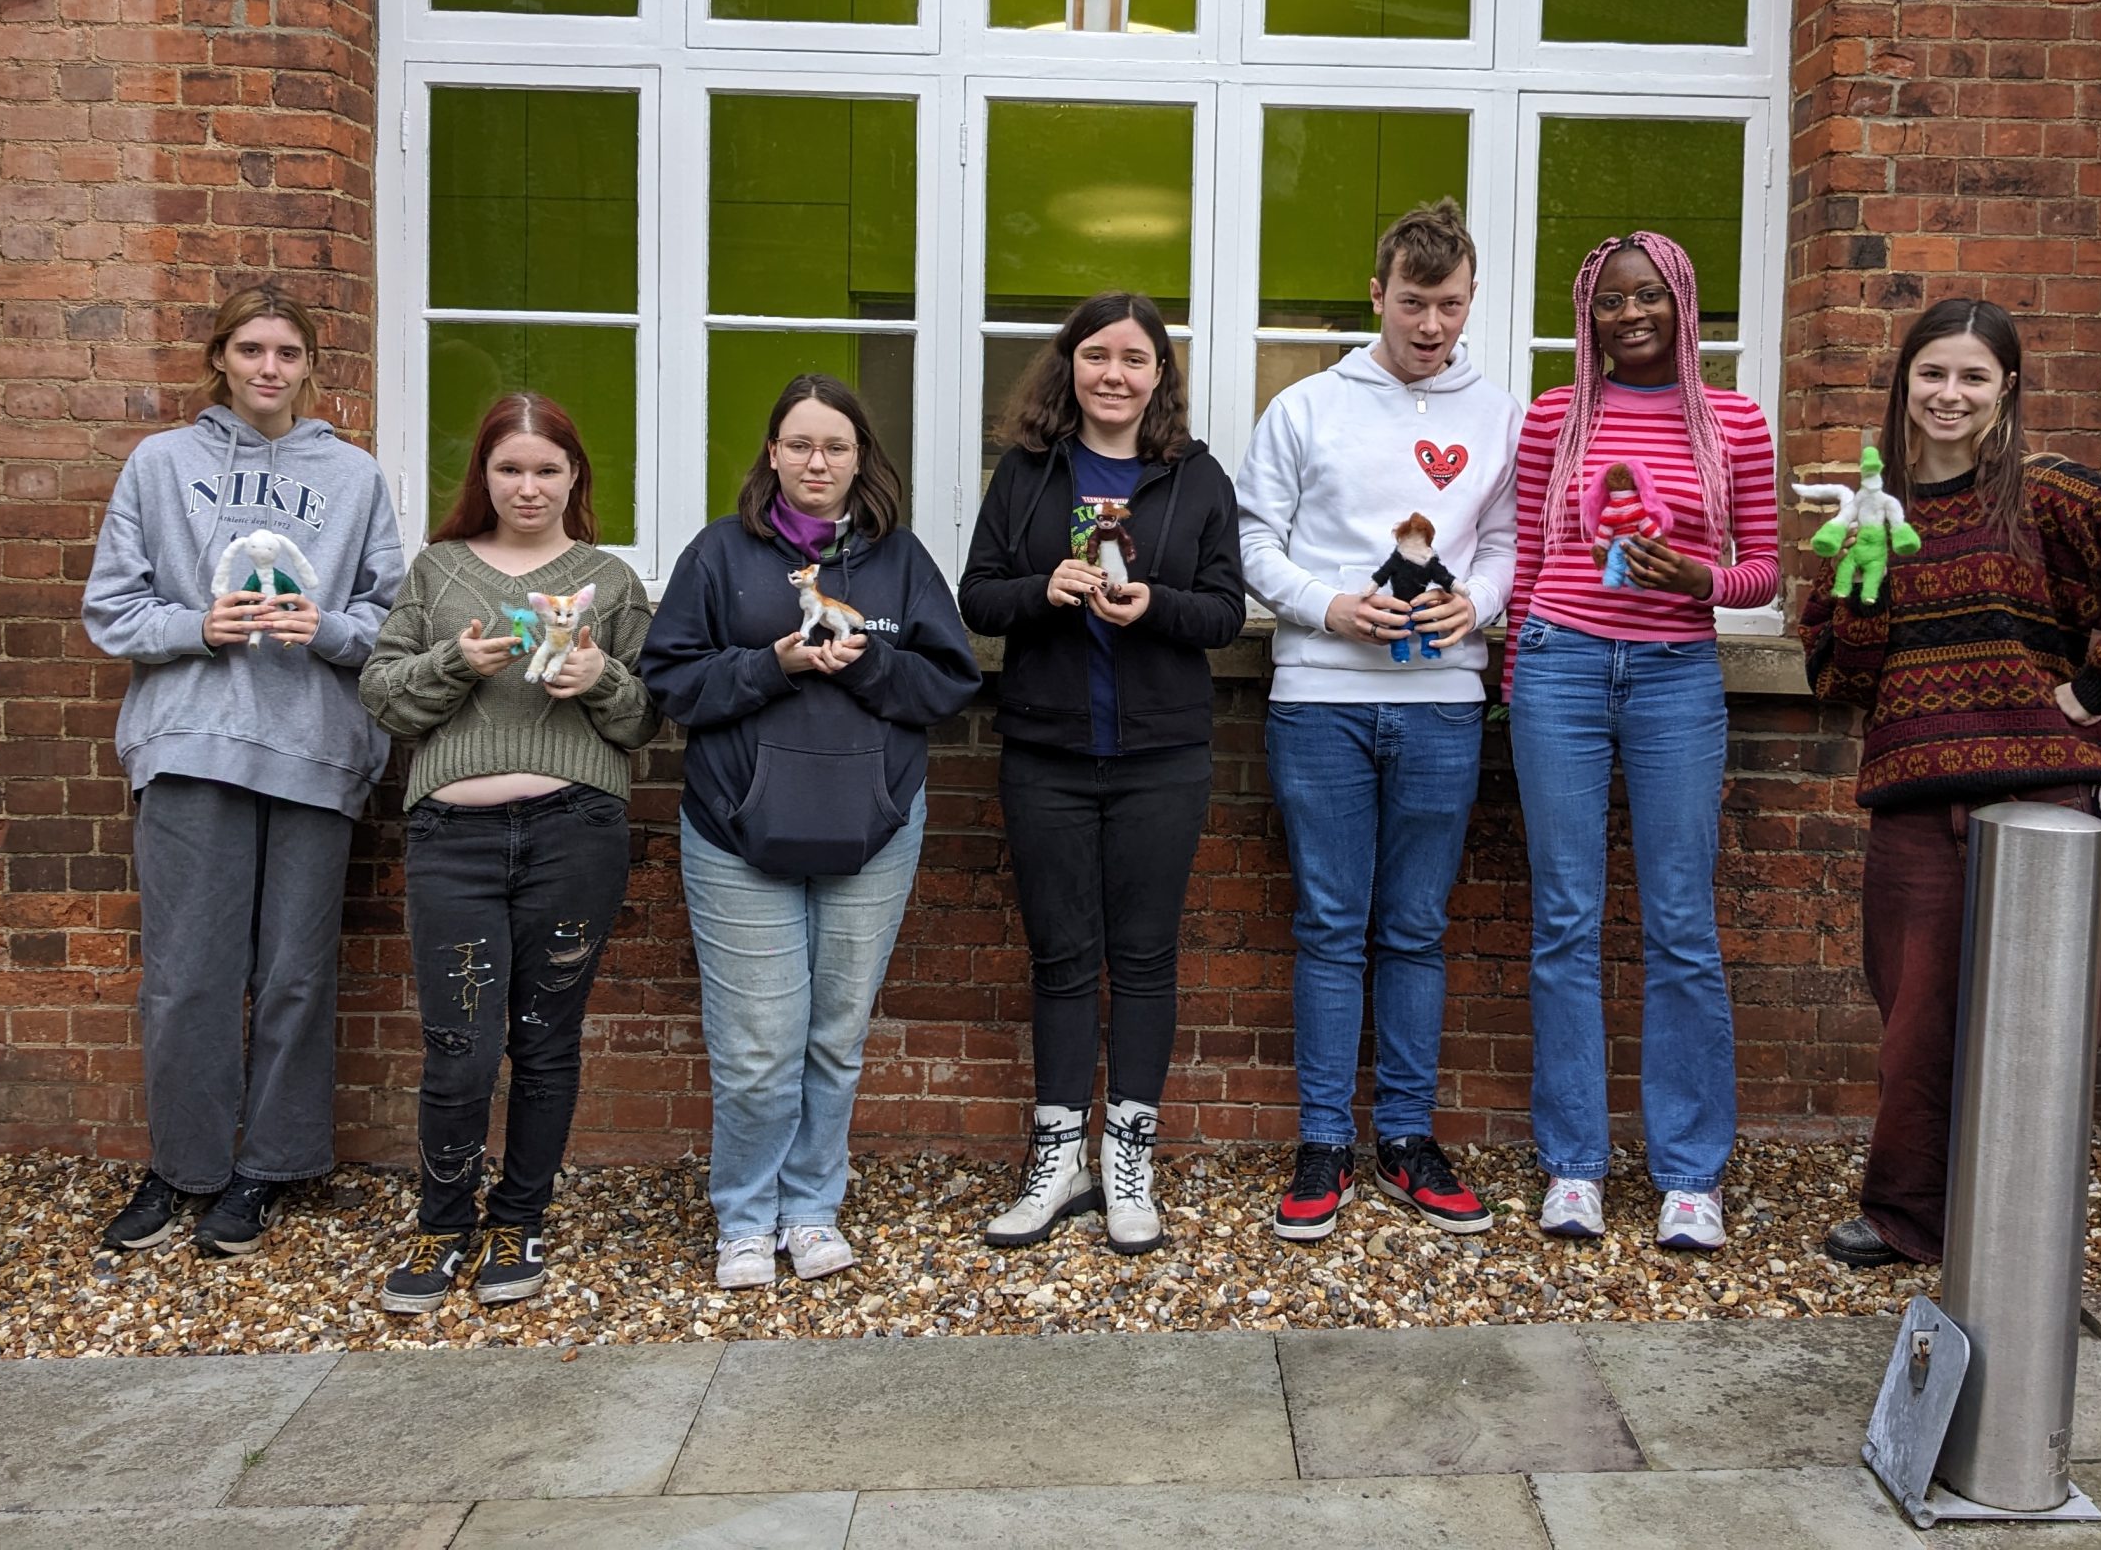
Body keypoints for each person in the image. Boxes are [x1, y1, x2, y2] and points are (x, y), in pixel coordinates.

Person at [1801, 297, 2101, 1267]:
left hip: (2044, 804)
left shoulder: (2049, 497)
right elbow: (1834, 676)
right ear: (1903, 383)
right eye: (1931, 373)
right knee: (1913, 1028)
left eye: (1971, 376)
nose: (1948, 393)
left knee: (2036, 1028)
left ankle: (2022, 1230)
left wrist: (2090, 689)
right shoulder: (1872, 512)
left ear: (2006, 389)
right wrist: (1863, 584)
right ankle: (1907, 1218)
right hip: (1913, 810)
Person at [81, 284, 405, 1257]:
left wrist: (332, 628)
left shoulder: (353, 479)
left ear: (311, 367)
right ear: (220, 358)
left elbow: (390, 621)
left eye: (288, 353)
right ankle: (184, 1168)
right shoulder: (159, 464)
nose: (270, 368)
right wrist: (195, 626)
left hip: (313, 751)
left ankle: (267, 1168)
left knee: (297, 975)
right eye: (252, 349)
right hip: (189, 746)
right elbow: (111, 607)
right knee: (187, 977)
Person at [639, 374, 979, 1288]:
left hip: (871, 827)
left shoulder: (901, 562)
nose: (816, 462)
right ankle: (746, 1218)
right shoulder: (718, 556)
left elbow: (949, 686)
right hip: (737, 830)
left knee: (835, 1035)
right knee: (757, 1047)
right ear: (773, 454)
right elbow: (670, 684)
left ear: (860, 457)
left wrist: (868, 666)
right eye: (799, 445)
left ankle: (811, 1209)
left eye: (835, 446)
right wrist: (774, 664)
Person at [1234, 198, 1522, 1242]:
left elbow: (1504, 542)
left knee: (1413, 927)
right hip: (1319, 699)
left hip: (1442, 702)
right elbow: (1253, 541)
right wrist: (1329, 605)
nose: (1432, 325)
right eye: (1413, 303)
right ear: (1376, 293)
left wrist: (1475, 604)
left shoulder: (1500, 415)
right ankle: (1323, 1142)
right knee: (1326, 923)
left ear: (1470, 298)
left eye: (1449, 305)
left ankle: (1404, 1137)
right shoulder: (1305, 408)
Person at [1505, 232, 1781, 1253]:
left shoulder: (1735, 424)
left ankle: (1689, 1176)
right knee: (1566, 919)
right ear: (1588, 312)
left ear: (1683, 303)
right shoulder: (1552, 420)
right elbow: (1531, 563)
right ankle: (1573, 1166)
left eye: (1649, 297)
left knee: (1679, 922)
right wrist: (1516, 684)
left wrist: (1696, 580)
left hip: (1676, 678)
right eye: (1611, 300)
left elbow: (1762, 571)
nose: (1630, 315)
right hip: (1561, 668)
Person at [357, 394, 658, 1313]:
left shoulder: (608, 583)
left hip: (575, 830)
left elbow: (647, 720)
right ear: (483, 476)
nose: (528, 487)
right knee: (460, 1042)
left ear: (576, 478)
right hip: (454, 838)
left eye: (547, 470)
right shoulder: (439, 572)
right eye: (509, 469)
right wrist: (458, 662)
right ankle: (443, 1223)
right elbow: (383, 695)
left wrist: (599, 677)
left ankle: (520, 1216)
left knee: (544, 1039)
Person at [961, 293, 1246, 1255]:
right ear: (1068, 367)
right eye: (1096, 356)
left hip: (1161, 755)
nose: (1114, 374)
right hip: (1046, 749)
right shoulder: (1029, 473)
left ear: (1160, 374)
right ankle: (1056, 1158)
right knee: (1060, 959)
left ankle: (1129, 1156)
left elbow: (1222, 613)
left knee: (1146, 958)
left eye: (1134, 358)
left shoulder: (1195, 478)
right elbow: (979, 597)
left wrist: (1153, 604)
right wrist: (1044, 590)